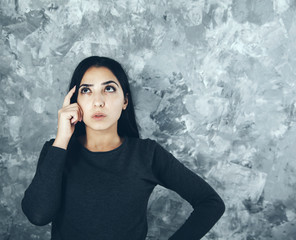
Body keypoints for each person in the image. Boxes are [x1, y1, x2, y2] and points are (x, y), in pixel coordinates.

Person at [21, 56, 225, 240]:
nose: (98, 102)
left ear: (125, 100)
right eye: (86, 90)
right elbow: (38, 215)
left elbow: (210, 202)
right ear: (75, 101)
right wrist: (62, 138)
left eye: (108, 89)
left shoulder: (146, 154)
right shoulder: (56, 150)